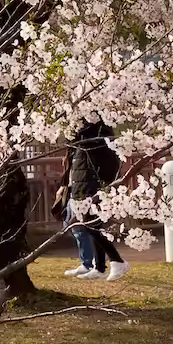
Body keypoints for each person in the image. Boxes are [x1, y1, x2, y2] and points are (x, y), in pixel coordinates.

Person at [59, 119, 129, 281]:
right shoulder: (81, 142)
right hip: (81, 185)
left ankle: (117, 260)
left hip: (91, 186)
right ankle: (99, 267)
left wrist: (102, 187)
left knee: (92, 226)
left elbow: (107, 165)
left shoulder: (97, 138)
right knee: (93, 226)